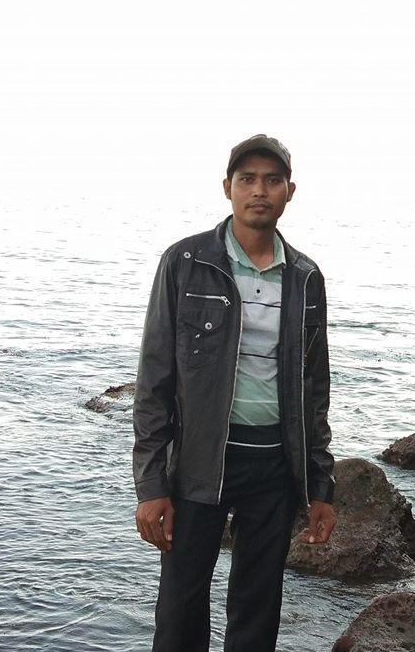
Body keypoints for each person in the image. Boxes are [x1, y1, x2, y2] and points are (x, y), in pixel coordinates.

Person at [132, 133, 336, 652]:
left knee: (258, 609)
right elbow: (155, 379)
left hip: (275, 467)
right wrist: (151, 486)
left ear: (290, 191)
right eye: (247, 179)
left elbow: (315, 389)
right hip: (199, 463)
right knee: (180, 608)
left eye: (272, 180)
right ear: (228, 188)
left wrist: (321, 486)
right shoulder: (185, 262)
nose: (259, 190)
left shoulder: (305, 276)